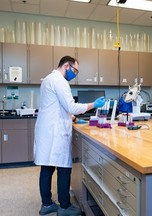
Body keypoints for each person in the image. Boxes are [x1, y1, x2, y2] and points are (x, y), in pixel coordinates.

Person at [34, 56, 105, 216]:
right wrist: (94, 104)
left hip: (48, 129)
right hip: (55, 131)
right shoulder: (60, 81)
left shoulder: (48, 79)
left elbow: (56, 106)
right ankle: (64, 207)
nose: (75, 74)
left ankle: (46, 205)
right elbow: (71, 106)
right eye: (74, 70)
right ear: (66, 65)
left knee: (46, 168)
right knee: (64, 168)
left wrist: (74, 119)